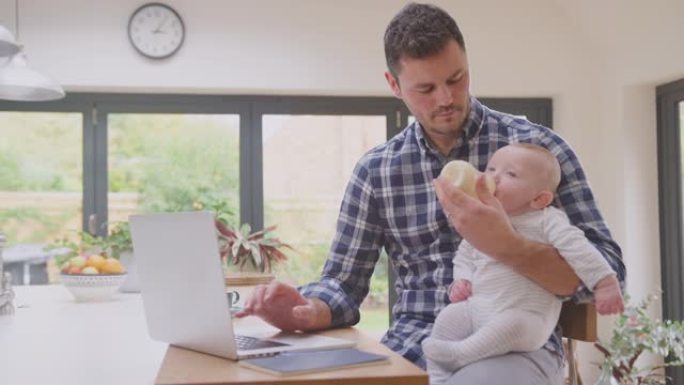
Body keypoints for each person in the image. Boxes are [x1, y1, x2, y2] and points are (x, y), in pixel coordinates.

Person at [236, 3, 626, 384]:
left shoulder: (539, 153)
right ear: (394, 85)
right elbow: (342, 284)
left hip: (514, 343)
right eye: (425, 88)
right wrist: (304, 310)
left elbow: (609, 272)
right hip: (414, 343)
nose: (446, 99)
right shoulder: (377, 171)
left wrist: (508, 246)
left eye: (456, 79)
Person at [422, 143, 624, 384]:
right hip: (481, 309)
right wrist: (462, 278)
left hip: (526, 319)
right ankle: (437, 375)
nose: (494, 178)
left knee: (512, 324)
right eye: (491, 169)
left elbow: (579, 250)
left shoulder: (546, 221)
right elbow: (465, 255)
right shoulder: (483, 219)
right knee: (449, 316)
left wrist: (605, 282)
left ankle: (460, 356)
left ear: (539, 199)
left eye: (511, 174)